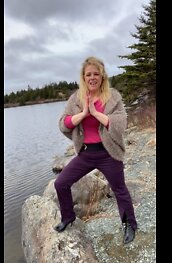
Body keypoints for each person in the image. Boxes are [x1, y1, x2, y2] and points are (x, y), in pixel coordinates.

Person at [54, 56, 137, 244]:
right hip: (85, 153)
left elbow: (120, 124)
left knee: (120, 190)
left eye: (96, 74)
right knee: (61, 183)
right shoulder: (76, 98)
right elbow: (63, 123)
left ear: (102, 76)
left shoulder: (113, 96)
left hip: (108, 153)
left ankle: (130, 224)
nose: (92, 77)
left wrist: (95, 112)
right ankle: (68, 217)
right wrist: (83, 113)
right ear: (83, 77)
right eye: (88, 74)